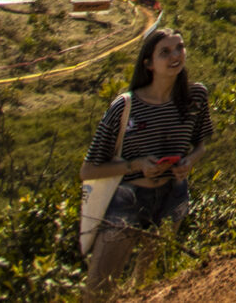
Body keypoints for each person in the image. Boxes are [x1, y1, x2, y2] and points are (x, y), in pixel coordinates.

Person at [81, 28, 213, 301]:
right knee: (98, 290)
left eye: (180, 47)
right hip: (129, 197)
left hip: (172, 196)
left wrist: (188, 162)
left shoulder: (195, 98)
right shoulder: (125, 106)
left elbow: (201, 144)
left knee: (149, 287)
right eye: (165, 52)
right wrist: (136, 165)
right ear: (149, 63)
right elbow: (89, 170)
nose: (176, 56)